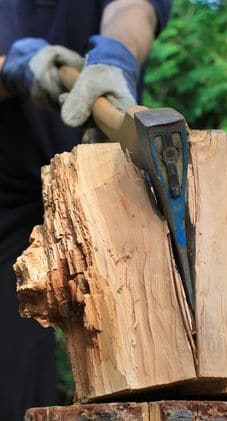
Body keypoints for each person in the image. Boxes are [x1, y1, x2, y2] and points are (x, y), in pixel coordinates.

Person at [0, 1, 172, 419]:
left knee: (138, 354)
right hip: (5, 191)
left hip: (104, 171)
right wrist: (15, 68)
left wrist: (115, 57)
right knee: (11, 376)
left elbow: (134, 9)